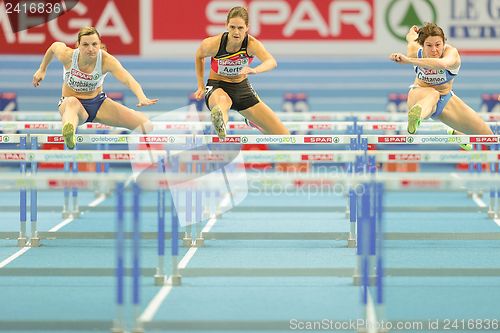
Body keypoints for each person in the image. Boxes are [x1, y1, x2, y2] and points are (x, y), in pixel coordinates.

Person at [32, 27, 157, 149]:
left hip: (98, 104)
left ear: (99, 44)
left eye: (94, 44)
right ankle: (69, 132)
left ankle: (70, 128)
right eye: (85, 44)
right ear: (78, 45)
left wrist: (141, 96)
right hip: (73, 105)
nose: (90, 49)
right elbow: (54, 46)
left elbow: (128, 79)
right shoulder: (68, 56)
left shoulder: (107, 61)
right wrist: (42, 69)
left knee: (147, 126)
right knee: (71, 103)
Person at [389, 23, 492, 148]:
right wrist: (412, 32)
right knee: (433, 94)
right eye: (429, 45)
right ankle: (416, 119)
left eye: (438, 45)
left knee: (489, 137)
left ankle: (454, 131)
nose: (434, 50)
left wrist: (409, 61)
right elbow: (411, 38)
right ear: (422, 45)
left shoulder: (452, 54)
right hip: (419, 95)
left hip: (445, 99)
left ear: (444, 43)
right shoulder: (414, 51)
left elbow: (442, 64)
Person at [193, 6, 289, 139]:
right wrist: (200, 85)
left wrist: (255, 70)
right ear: (226, 25)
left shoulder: (252, 44)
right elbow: (199, 56)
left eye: (240, 28)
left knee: (283, 135)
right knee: (222, 103)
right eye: (232, 27)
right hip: (217, 86)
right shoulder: (212, 44)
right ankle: (221, 126)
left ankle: (253, 121)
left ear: (247, 28)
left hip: (242, 88)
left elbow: (271, 61)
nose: (236, 32)